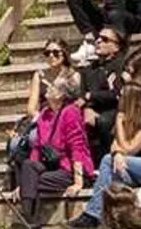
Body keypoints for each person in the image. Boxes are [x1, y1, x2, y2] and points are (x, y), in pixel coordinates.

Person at [69, 80, 141, 227]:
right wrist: (118, 153)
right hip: (136, 168)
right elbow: (114, 146)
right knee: (112, 174)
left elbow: (131, 149)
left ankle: (92, 215)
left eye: (122, 96)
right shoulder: (130, 118)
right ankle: (117, 221)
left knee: (107, 161)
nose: (118, 99)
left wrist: (119, 125)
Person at [10, 75, 93, 223]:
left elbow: (77, 147)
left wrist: (78, 182)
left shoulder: (71, 112)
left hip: (70, 169)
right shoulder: (45, 114)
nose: (47, 88)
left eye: (52, 87)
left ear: (61, 94)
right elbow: (37, 147)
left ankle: (28, 219)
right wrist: (23, 181)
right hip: (50, 165)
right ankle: (29, 220)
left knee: (32, 181)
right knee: (28, 167)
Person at [79, 26, 129, 160]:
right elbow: (82, 94)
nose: (98, 41)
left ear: (116, 47)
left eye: (105, 39)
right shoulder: (89, 69)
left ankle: (108, 158)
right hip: (92, 109)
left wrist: (91, 96)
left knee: (104, 121)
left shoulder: (121, 65)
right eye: (98, 38)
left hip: (115, 108)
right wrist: (88, 108)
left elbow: (117, 94)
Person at [26, 39, 80, 119]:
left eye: (55, 52)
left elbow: (78, 102)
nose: (51, 56)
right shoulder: (39, 75)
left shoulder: (74, 75)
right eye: (47, 53)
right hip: (46, 119)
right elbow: (31, 108)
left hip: (67, 118)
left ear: (64, 54)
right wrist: (40, 120)